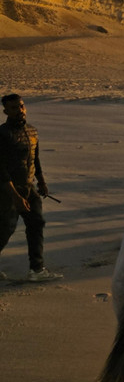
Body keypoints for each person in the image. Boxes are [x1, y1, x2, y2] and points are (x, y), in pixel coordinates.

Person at [0, 94, 62, 282]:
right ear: (5, 111)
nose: (20, 111)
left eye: (21, 106)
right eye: (14, 108)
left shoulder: (32, 131)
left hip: (29, 187)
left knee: (36, 223)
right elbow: (0, 170)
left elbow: (35, 159)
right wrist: (15, 196)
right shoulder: (2, 134)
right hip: (7, 191)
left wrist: (41, 181)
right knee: (5, 229)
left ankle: (37, 269)